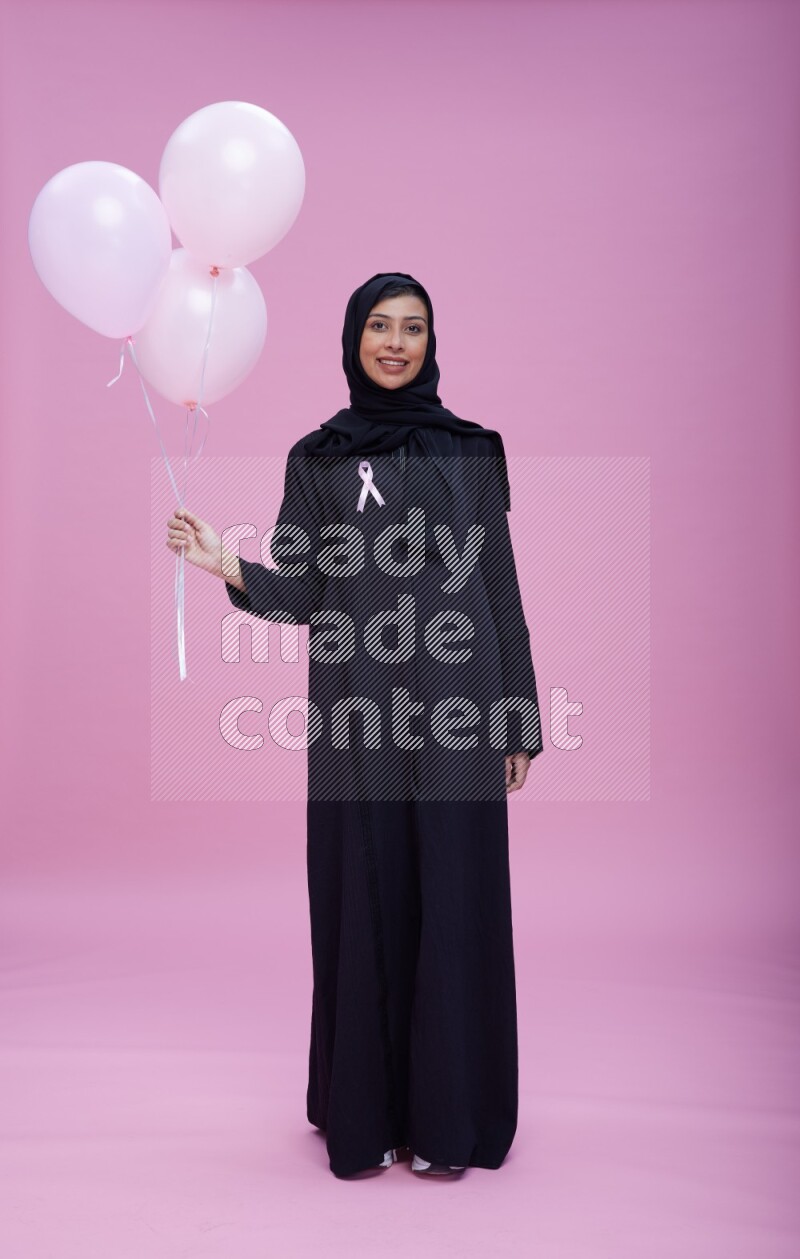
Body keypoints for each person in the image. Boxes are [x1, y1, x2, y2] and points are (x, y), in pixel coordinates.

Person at [166, 271, 543, 1178]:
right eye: (380, 325)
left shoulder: (473, 451)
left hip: (460, 709)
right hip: (356, 713)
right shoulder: (318, 457)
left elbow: (498, 586)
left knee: (453, 899)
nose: (396, 342)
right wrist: (231, 562)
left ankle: (451, 1123)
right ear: (353, 338)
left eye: (413, 328)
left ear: (431, 343)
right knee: (364, 895)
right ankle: (368, 1115)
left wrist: (519, 716)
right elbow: (302, 592)